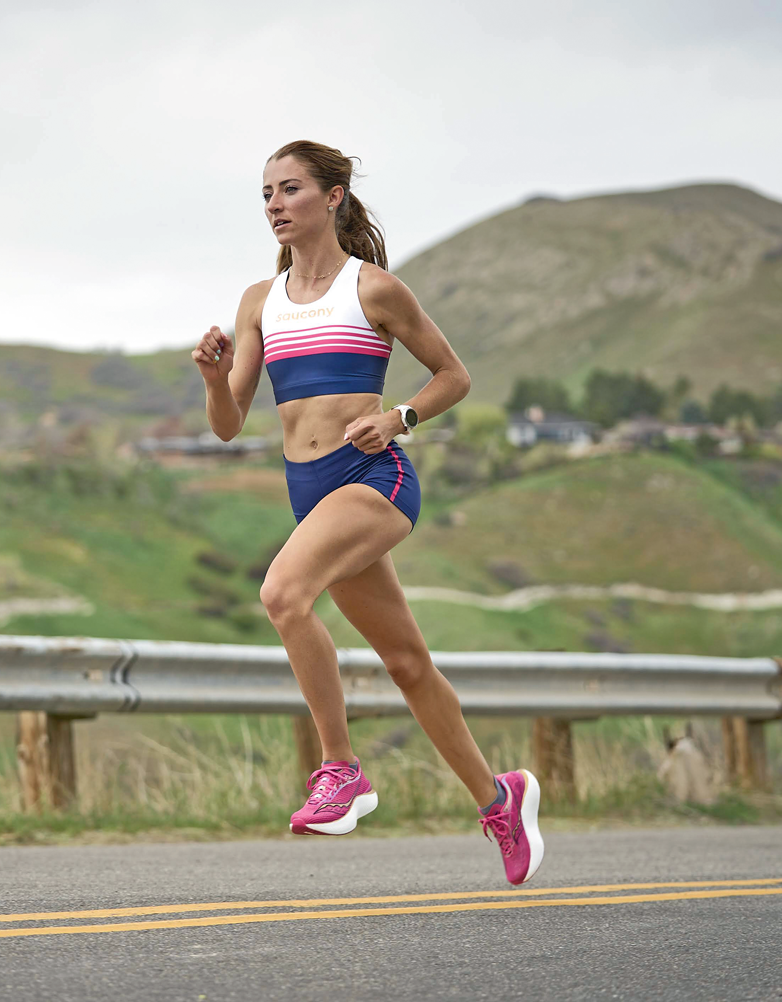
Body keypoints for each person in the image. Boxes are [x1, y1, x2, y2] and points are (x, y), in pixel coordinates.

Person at [190, 140, 544, 886]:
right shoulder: (259, 301)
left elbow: (453, 375)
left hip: (373, 479)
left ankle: (340, 769)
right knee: (408, 664)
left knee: (283, 594)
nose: (275, 204)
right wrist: (216, 380)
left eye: (290, 189)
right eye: (266, 193)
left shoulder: (373, 289)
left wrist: (399, 418)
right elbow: (228, 425)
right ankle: (499, 800)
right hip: (310, 494)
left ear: (333, 197)